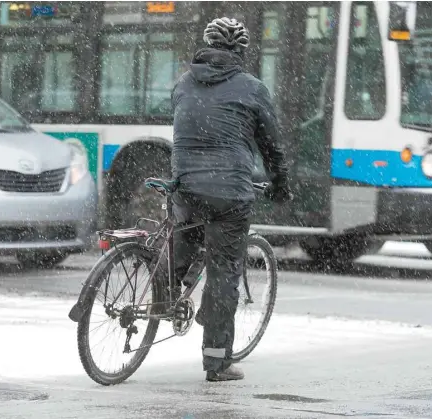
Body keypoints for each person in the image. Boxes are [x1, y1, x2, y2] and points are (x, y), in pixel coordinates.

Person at [170, 17, 292, 382]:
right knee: (224, 272)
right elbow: (270, 146)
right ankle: (216, 361)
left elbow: (181, 124)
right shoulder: (252, 89)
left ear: (205, 46)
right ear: (241, 52)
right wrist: (281, 185)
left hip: (185, 183)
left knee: (185, 232)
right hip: (230, 193)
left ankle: (166, 293)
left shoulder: (183, 82)